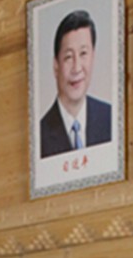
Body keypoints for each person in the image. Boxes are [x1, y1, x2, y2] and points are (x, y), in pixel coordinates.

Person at [40, 10, 112, 158]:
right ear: (56, 65)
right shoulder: (40, 134)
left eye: (83, 54)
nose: (77, 68)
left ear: (93, 56)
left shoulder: (109, 117)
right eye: (68, 57)